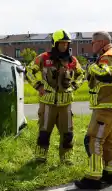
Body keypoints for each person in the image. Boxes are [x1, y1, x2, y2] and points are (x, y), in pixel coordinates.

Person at [25, 29, 84, 165]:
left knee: (67, 133)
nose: (64, 46)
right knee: (44, 132)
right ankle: (41, 158)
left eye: (67, 43)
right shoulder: (43, 58)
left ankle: (66, 158)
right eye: (61, 43)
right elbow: (29, 71)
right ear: (55, 44)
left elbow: (82, 74)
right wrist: (38, 86)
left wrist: (74, 86)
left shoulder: (72, 60)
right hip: (47, 104)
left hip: (66, 105)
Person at [75, 31, 112, 189]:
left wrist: (92, 68)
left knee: (93, 139)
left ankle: (93, 177)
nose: (91, 45)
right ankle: (110, 173)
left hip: (105, 106)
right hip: (111, 105)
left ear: (101, 42)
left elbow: (107, 74)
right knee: (109, 140)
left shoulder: (107, 56)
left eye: (93, 42)